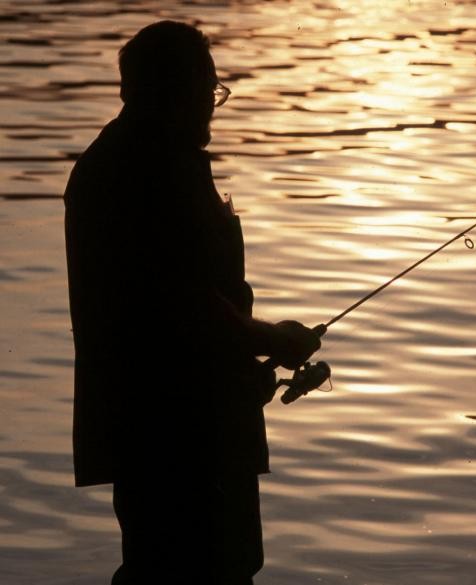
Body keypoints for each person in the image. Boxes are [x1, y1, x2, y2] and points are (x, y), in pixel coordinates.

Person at [63, 20, 322, 584]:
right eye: (208, 93)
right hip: (177, 438)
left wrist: (251, 360)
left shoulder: (140, 160)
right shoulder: (140, 173)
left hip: (183, 428)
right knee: (199, 570)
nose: (212, 108)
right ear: (171, 92)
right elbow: (184, 304)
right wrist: (273, 340)